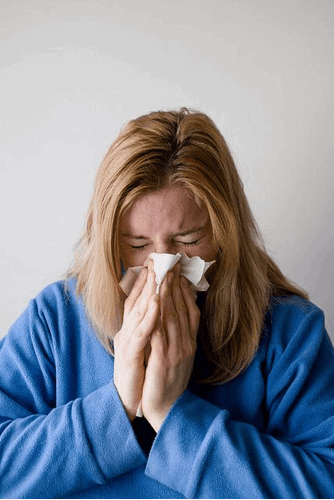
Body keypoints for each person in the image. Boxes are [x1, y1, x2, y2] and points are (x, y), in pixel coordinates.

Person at [0, 108, 333, 499]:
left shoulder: (289, 332)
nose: (162, 268)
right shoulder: (53, 321)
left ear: (225, 234)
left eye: (188, 241)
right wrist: (119, 404)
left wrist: (172, 414)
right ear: (106, 239)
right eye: (137, 245)